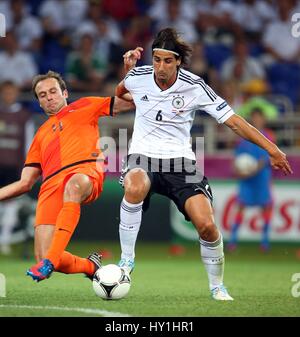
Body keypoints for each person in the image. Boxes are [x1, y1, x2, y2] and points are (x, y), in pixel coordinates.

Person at [115, 28, 292, 301]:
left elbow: (233, 121)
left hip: (181, 162)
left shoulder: (195, 86)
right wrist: (127, 71)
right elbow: (122, 92)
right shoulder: (138, 77)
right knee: (134, 184)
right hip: (143, 155)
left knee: (207, 225)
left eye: (167, 61)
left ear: (178, 62)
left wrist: (272, 149)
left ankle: (217, 286)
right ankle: (126, 261)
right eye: (156, 59)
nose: (160, 67)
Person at [0, 70, 134, 282]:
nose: (49, 97)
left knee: (74, 184)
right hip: (51, 185)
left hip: (84, 172)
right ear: (40, 103)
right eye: (42, 95)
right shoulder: (40, 135)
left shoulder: (85, 105)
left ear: (65, 93)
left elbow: (130, 103)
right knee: (41, 254)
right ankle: (90, 266)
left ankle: (49, 262)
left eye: (53, 91)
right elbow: (25, 183)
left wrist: (129, 74)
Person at [227, 108, 275, 252]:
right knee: (241, 206)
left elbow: (269, 156)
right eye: (254, 117)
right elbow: (237, 158)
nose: (257, 120)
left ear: (263, 119)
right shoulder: (243, 137)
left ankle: (265, 242)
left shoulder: (269, 136)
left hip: (261, 177)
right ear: (251, 119)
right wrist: (237, 169)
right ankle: (233, 241)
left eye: (259, 117)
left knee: (266, 206)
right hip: (246, 178)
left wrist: (253, 170)